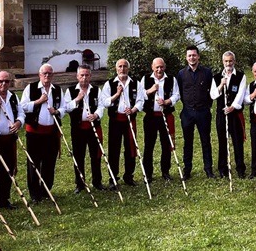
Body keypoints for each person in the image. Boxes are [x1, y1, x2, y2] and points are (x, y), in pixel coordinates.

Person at [19, 64, 64, 201]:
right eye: (44, 73)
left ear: (53, 75)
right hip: (34, 132)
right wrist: (39, 101)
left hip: (51, 133)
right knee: (34, 163)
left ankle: (46, 190)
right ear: (39, 75)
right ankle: (34, 193)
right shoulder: (31, 88)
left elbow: (64, 107)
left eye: (50, 73)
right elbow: (23, 107)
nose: (47, 75)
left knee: (49, 162)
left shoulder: (57, 90)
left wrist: (56, 112)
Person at [0, 71, 24, 209]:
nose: (3, 84)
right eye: (0, 81)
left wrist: (19, 122)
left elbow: (20, 112)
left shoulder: (13, 96)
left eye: (6, 81)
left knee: (7, 170)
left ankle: (4, 200)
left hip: (9, 140)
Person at [64, 64, 106, 192]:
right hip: (78, 128)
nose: (84, 78)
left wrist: (96, 114)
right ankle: (80, 184)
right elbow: (67, 107)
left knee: (95, 155)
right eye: (81, 75)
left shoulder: (96, 90)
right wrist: (77, 99)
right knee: (78, 155)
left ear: (90, 76)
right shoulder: (70, 90)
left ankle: (97, 182)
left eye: (87, 75)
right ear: (77, 76)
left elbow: (101, 105)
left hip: (93, 127)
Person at [99, 59, 141, 187]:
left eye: (125, 66)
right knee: (114, 149)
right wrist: (117, 94)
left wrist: (133, 109)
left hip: (130, 120)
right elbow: (105, 102)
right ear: (116, 69)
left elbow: (141, 101)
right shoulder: (109, 84)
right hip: (115, 121)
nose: (122, 69)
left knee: (130, 149)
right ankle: (113, 178)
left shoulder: (135, 83)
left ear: (128, 68)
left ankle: (129, 176)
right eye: (120, 66)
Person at [176, 45, 214, 179]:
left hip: (203, 112)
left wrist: (207, 106)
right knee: (188, 142)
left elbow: (212, 91)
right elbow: (180, 91)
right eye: (189, 55)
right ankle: (187, 170)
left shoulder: (207, 72)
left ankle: (208, 170)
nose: (192, 57)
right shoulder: (181, 74)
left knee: (206, 141)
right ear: (186, 58)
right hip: (187, 113)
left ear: (198, 56)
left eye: (194, 55)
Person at [141, 57, 180, 181]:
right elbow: (140, 95)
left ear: (165, 67)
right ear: (152, 67)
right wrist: (150, 91)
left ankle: (165, 171)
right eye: (157, 67)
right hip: (151, 117)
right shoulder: (146, 79)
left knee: (166, 145)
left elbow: (177, 95)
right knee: (149, 145)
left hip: (166, 116)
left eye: (161, 67)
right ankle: (148, 173)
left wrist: (167, 101)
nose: (159, 69)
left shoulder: (171, 79)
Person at [210, 51, 247, 178]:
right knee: (222, 141)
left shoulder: (241, 76)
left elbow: (241, 94)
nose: (228, 63)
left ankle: (240, 169)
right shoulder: (216, 77)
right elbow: (213, 95)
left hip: (235, 113)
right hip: (222, 114)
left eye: (230, 61)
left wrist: (233, 107)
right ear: (223, 62)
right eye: (226, 61)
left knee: (238, 142)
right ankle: (222, 168)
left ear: (234, 61)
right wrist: (221, 85)